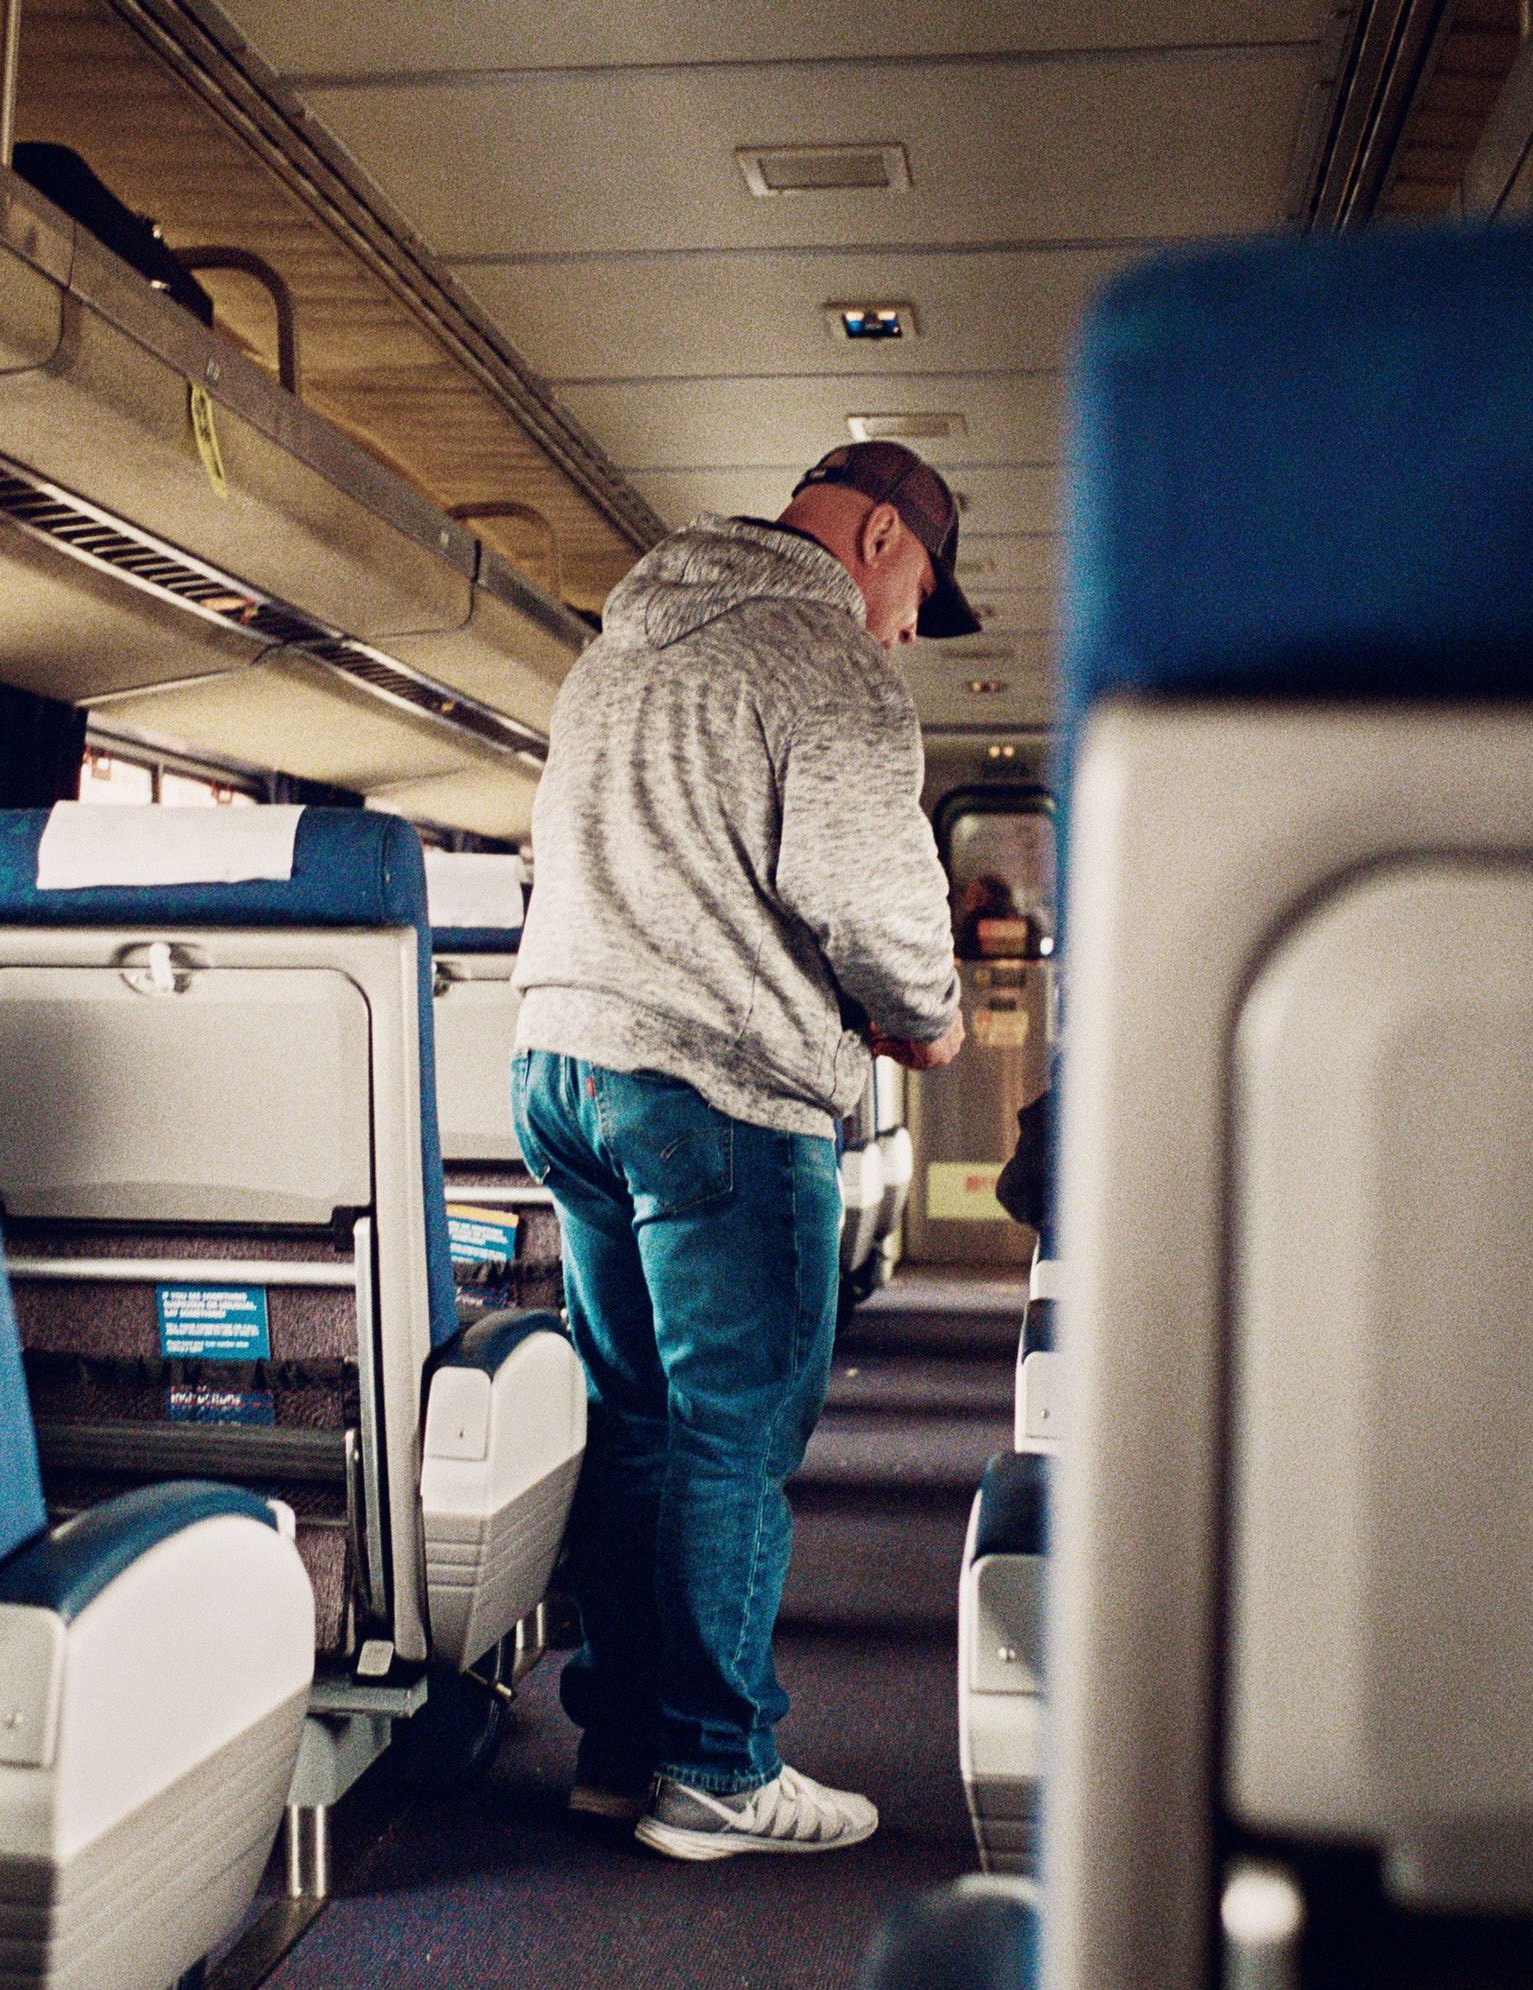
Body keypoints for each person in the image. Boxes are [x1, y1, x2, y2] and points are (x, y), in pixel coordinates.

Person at [509, 440, 971, 1861]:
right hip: (716, 1087)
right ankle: (717, 1765)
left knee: (636, 1418)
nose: (907, 633)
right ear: (880, 537)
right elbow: (867, 894)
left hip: (563, 1066)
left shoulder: (617, 648)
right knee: (734, 1430)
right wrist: (929, 1019)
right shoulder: (825, 659)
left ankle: (623, 1744)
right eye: (919, 596)